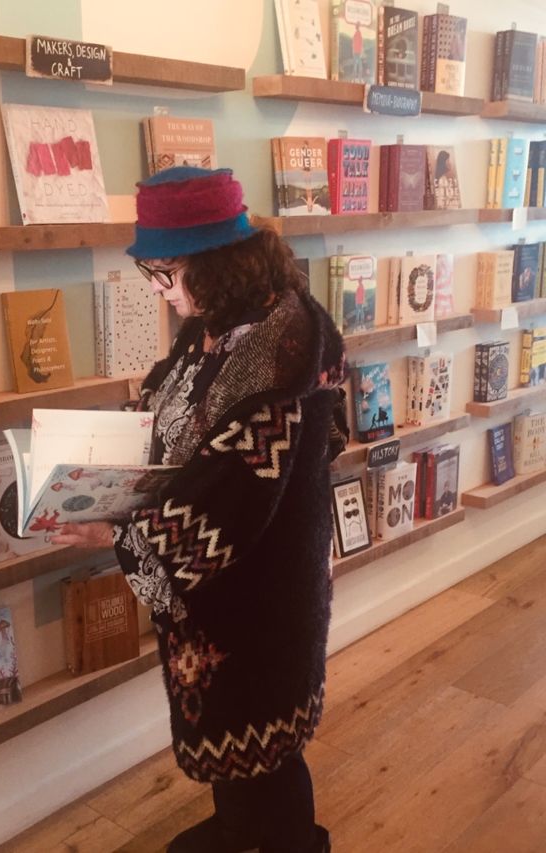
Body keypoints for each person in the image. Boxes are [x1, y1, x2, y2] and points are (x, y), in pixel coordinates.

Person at [51, 166, 348, 853]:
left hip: (261, 587)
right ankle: (241, 825)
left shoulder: (278, 352)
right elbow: (172, 400)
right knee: (234, 733)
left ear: (215, 263)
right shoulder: (220, 321)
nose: (157, 288)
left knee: (266, 736)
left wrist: (113, 530)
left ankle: (290, 841)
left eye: (165, 273)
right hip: (225, 582)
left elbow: (235, 495)